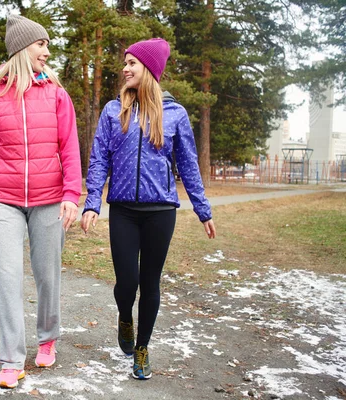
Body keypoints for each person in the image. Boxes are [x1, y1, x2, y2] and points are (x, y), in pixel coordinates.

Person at [80, 38, 216, 381]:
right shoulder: (113, 111)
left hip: (160, 212)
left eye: (132, 63)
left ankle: (142, 349)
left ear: (150, 70)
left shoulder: (175, 114)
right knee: (126, 282)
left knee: (150, 282)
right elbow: (99, 160)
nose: (125, 68)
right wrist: (93, 202)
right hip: (123, 210)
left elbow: (188, 165)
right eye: (125, 62)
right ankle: (125, 316)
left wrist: (203, 209)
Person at [0, 14, 82, 389]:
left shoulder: (56, 94)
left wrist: (71, 194)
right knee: (8, 278)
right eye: (41, 44)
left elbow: (70, 147)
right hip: (5, 200)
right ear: (22, 49)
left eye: (47, 44)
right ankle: (11, 359)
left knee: (47, 276)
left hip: (50, 199)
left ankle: (47, 338)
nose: (47, 52)